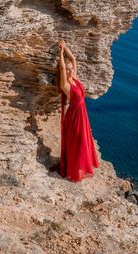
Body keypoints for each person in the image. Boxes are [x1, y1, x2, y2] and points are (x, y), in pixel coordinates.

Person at [50, 39, 99, 182]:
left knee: (84, 139)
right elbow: (62, 68)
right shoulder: (65, 85)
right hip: (74, 115)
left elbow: (73, 59)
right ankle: (75, 168)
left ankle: (81, 164)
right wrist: (60, 53)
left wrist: (65, 47)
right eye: (68, 69)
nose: (70, 70)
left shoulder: (75, 79)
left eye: (71, 68)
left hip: (83, 113)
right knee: (78, 141)